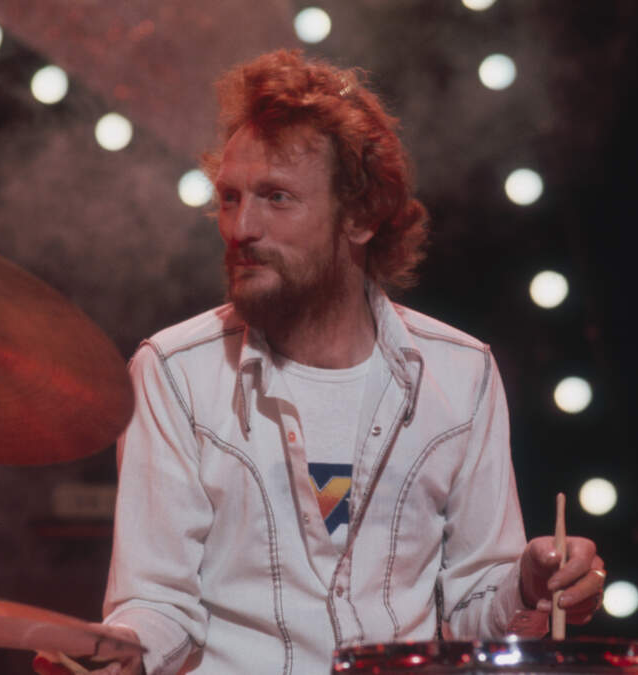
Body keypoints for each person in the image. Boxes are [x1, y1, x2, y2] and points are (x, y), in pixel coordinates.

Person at [49, 49, 606, 675]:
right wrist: (120, 655)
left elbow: (474, 605)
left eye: (276, 197)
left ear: (361, 217)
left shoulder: (462, 372)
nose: (240, 227)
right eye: (230, 197)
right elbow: (158, 602)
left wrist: (528, 587)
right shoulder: (172, 371)